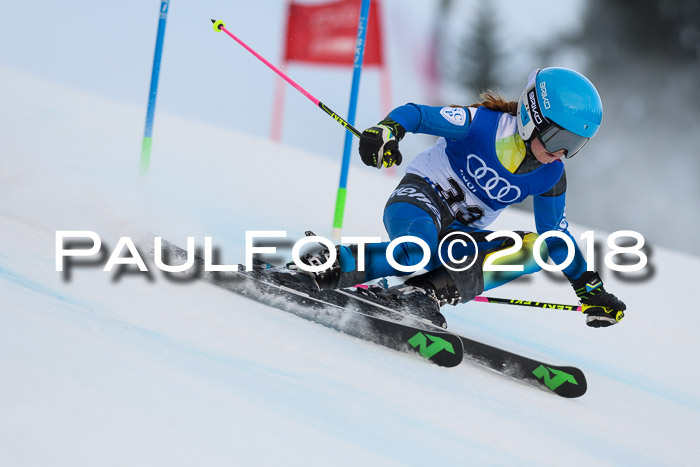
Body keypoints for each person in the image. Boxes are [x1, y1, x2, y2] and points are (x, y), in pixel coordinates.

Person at [291, 67, 626, 329]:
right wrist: (388, 131)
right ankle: (329, 266)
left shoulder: (550, 174)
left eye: (575, 145)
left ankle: (422, 294)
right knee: (415, 254)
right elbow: (417, 114)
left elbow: (556, 236)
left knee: (534, 249)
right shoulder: (482, 124)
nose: (563, 152)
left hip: (458, 238)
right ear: (532, 117)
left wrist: (590, 290)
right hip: (419, 199)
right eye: (559, 139)